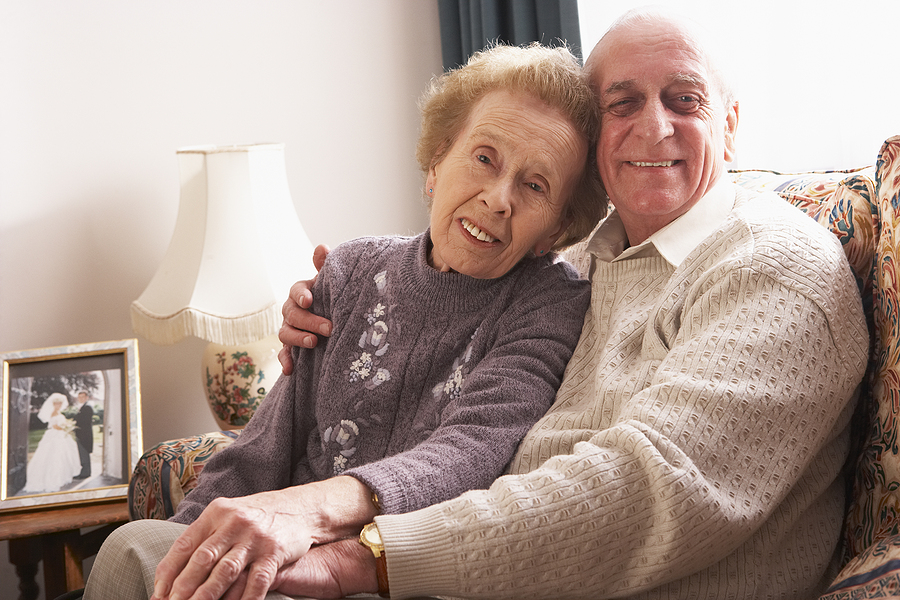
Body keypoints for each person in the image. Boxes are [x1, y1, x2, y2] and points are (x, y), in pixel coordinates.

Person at [267, 9, 869, 600]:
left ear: (730, 125)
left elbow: (653, 488)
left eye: (684, 100)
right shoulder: (578, 262)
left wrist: (371, 557)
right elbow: (441, 313)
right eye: (622, 103)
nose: (654, 127)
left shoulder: (776, 267)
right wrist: (338, 298)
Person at [85, 43, 606, 600]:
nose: (499, 199)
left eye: (535, 186)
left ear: (554, 232)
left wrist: (305, 517)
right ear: (436, 161)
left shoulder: (549, 303)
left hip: (384, 575)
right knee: (140, 546)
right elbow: (263, 449)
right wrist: (190, 545)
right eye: (484, 157)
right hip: (276, 561)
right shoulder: (354, 269)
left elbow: (470, 451)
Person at [23, 393, 82, 493]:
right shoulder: (54, 413)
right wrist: (66, 428)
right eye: (57, 404)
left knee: (62, 457)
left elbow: (61, 424)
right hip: (54, 435)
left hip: (60, 435)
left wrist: (67, 426)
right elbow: (55, 426)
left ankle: (61, 477)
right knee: (54, 456)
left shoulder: (58, 412)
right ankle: (52, 480)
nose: (58, 405)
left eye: (60, 403)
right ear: (54, 404)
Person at [73, 390, 95, 479]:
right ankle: (85, 472)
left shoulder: (87, 407)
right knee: (82, 454)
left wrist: (74, 425)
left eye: (83, 397)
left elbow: (84, 422)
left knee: (84, 453)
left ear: (87, 398)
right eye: (79, 397)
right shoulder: (82, 407)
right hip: (81, 435)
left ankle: (85, 473)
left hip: (84, 435)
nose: (81, 399)